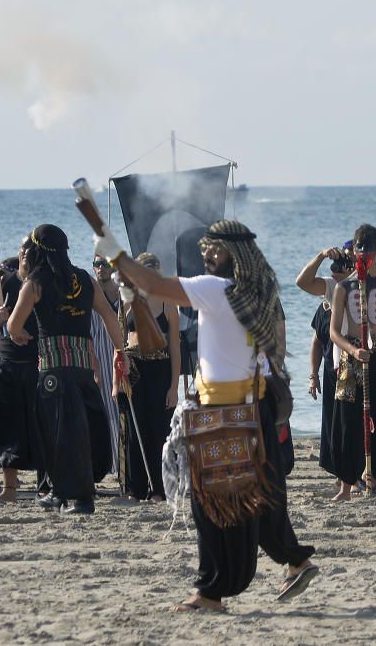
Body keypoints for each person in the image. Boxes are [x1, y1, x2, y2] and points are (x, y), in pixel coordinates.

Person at [96, 219, 317, 612]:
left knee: (212, 507)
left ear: (236, 252)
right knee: (255, 498)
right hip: (254, 407)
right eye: (205, 249)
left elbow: (158, 285)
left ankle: (210, 593)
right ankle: (294, 560)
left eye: (214, 249)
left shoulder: (216, 289)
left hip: (223, 413)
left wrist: (116, 254)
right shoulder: (258, 291)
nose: (206, 255)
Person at [6, 224, 125, 514]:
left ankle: (79, 498)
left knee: (56, 433)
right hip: (83, 368)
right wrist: (122, 351)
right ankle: (60, 493)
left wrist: (19, 335)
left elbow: (13, 325)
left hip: (53, 369)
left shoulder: (35, 283)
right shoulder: (85, 280)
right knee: (79, 433)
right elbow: (110, 318)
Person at [327, 224, 376, 501]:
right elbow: (333, 331)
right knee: (348, 423)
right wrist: (351, 348)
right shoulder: (343, 287)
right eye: (360, 251)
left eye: (369, 251)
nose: (364, 256)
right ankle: (346, 486)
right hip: (352, 361)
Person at [0, 251, 44, 500]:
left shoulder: (42, 283)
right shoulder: (4, 282)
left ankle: (46, 486)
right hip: (9, 359)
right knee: (7, 423)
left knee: (40, 423)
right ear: (19, 254)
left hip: (37, 358)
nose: (27, 255)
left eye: (31, 250)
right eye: (23, 251)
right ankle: (9, 488)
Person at [118, 252, 180, 501]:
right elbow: (118, 342)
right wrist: (117, 379)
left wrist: (174, 386)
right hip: (135, 369)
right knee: (135, 430)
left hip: (160, 368)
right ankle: (135, 488)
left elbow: (175, 346)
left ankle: (159, 489)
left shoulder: (168, 304)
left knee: (159, 430)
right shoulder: (127, 302)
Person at [295, 241, 353, 486]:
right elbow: (317, 342)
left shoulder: (366, 287)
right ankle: (343, 475)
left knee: (355, 421)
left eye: (346, 262)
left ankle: (362, 474)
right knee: (334, 421)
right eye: (337, 262)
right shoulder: (330, 292)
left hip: (360, 359)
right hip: (335, 365)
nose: (338, 266)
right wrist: (321, 255)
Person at [90, 253, 122, 477]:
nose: (100, 268)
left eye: (104, 264)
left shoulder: (123, 295)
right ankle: (107, 463)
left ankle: (122, 464)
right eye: (96, 264)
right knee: (103, 414)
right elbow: (87, 335)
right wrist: (95, 367)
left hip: (120, 359)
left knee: (121, 412)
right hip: (100, 358)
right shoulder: (90, 296)